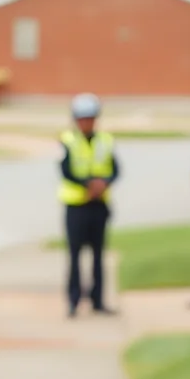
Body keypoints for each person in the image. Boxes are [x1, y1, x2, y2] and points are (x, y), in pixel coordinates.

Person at [58, 92, 119, 317]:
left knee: (98, 255)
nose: (86, 122)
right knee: (74, 255)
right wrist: (87, 184)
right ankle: (74, 300)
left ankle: (98, 300)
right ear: (75, 120)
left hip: (99, 205)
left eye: (90, 118)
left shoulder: (106, 140)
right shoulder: (67, 140)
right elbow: (64, 171)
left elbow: (115, 169)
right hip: (76, 205)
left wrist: (104, 184)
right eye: (82, 118)